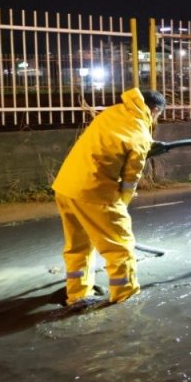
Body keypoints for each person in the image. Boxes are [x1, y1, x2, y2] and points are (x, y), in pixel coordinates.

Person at [52, 88, 165, 308]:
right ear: (154, 110)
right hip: (95, 193)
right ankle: (126, 296)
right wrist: (119, 207)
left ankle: (77, 295)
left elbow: (110, 143)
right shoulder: (140, 134)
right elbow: (130, 181)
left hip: (66, 187)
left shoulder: (112, 113)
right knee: (120, 248)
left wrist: (145, 148)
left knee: (78, 246)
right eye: (158, 116)